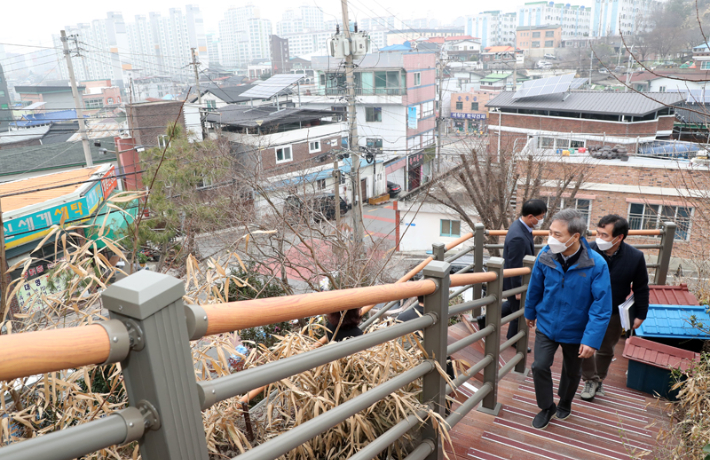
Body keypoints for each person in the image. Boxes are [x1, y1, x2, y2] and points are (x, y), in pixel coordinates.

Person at [525, 209, 612, 429]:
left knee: (572, 371)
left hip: (577, 329)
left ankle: (565, 402)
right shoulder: (545, 254)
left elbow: (601, 306)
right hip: (547, 323)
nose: (551, 239)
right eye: (550, 233)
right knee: (539, 366)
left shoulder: (596, 264)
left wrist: (591, 340)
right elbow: (535, 286)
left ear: (575, 236)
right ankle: (547, 407)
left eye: (557, 234)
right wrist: (530, 312)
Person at [580, 215, 649, 402]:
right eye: (597, 233)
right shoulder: (587, 250)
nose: (598, 238)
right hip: (586, 308)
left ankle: (599, 379)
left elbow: (641, 288)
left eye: (604, 235)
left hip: (614, 310)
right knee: (583, 344)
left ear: (619, 237)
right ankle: (589, 380)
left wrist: (641, 314)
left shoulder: (635, 257)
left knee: (606, 349)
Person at [477, 199, 547, 348]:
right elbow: (514, 265)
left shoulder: (521, 226)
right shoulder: (518, 237)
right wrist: (517, 289)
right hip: (514, 280)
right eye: (540, 217)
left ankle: (485, 320)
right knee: (519, 309)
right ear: (530, 216)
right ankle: (514, 340)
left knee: (513, 305)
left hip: (515, 278)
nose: (541, 220)